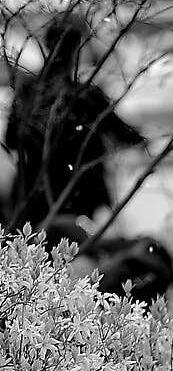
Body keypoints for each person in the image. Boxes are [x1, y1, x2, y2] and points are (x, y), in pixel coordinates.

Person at [3, 14, 146, 232]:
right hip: (77, 195)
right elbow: (124, 135)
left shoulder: (28, 92)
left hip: (33, 193)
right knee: (71, 255)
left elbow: (12, 139)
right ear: (77, 48)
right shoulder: (85, 96)